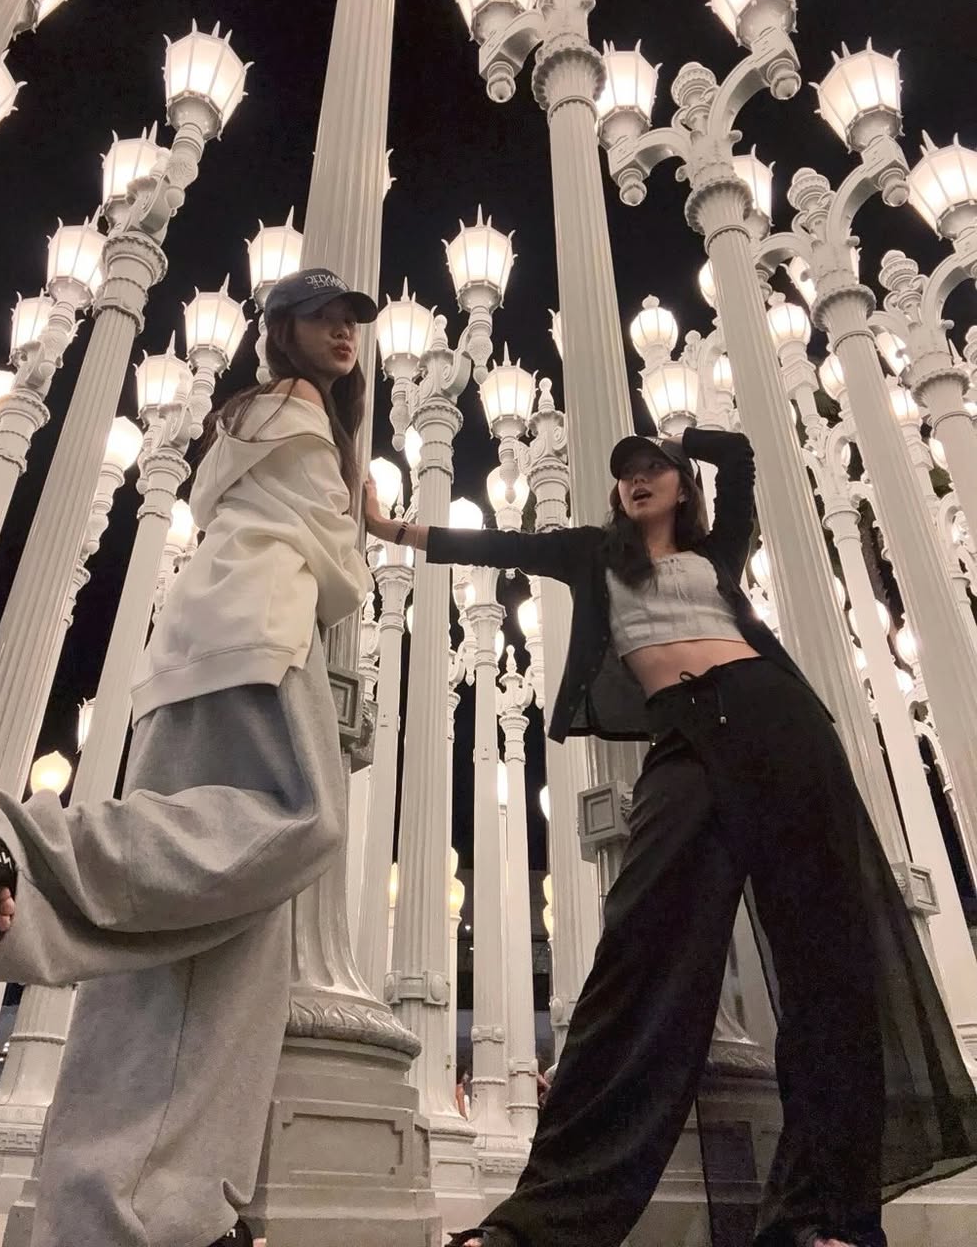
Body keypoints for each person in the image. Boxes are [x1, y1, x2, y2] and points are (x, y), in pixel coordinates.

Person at [364, 426, 977, 1247]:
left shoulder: (716, 553)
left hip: (779, 717)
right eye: (627, 473)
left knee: (828, 962)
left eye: (654, 468)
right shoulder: (594, 554)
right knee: (638, 948)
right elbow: (498, 544)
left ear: (683, 485)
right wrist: (391, 528)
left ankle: (821, 1218)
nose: (638, 479)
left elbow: (744, 457)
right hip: (683, 736)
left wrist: (684, 437)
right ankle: (539, 1226)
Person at [0, 267, 378, 1247]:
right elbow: (334, 563)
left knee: (205, 934)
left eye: (352, 322)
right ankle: (11, 845)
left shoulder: (237, 420)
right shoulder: (299, 408)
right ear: (283, 329)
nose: (344, 334)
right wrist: (360, 541)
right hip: (258, 641)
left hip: (189, 650)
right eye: (324, 317)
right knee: (298, 823)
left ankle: (145, 1210)